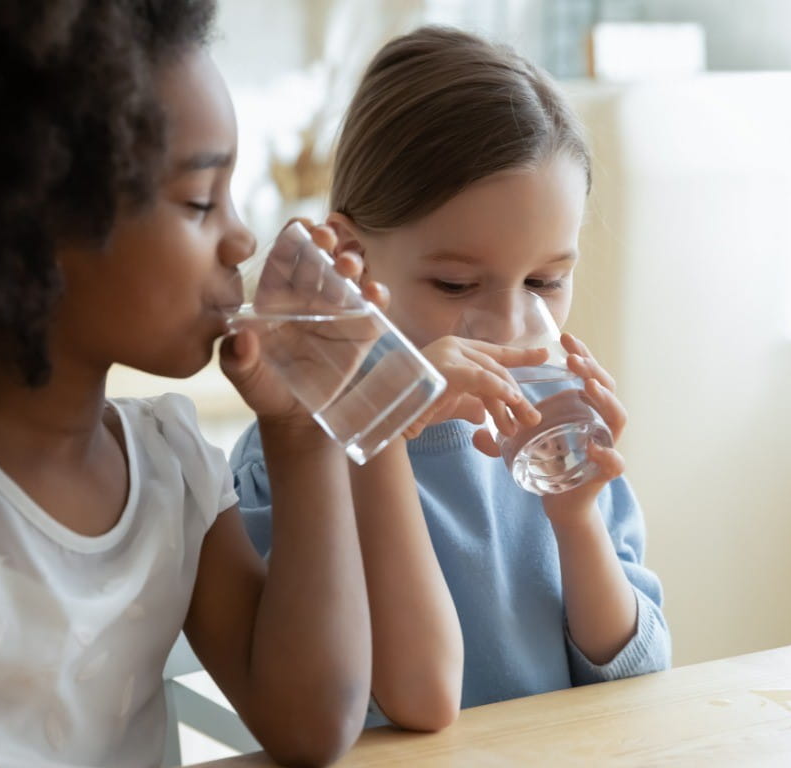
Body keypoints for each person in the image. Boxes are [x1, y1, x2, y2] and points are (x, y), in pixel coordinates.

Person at [0, 2, 381, 766]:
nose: (242, 237)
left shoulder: (172, 466)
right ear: (29, 228)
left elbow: (314, 725)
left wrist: (302, 432)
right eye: (200, 201)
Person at [232, 26, 671, 718]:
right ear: (353, 257)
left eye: (546, 280)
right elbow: (405, 703)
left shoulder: (554, 446)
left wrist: (577, 520)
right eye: (457, 286)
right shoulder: (294, 454)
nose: (510, 326)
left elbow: (638, 685)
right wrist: (381, 413)